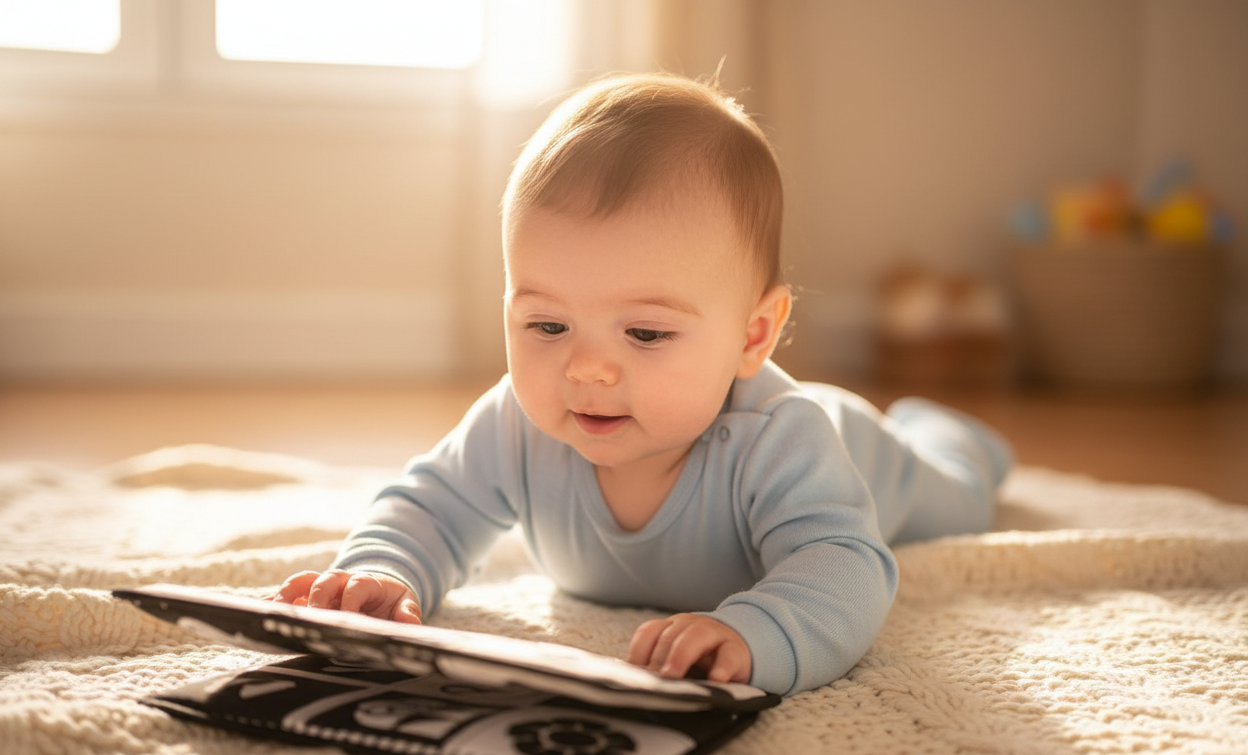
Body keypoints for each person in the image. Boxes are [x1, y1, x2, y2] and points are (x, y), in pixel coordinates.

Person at [272, 72, 1012, 696]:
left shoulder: (782, 442)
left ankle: (951, 436)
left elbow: (846, 568)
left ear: (753, 335)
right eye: (547, 326)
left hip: (863, 456)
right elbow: (431, 506)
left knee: (959, 496)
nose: (586, 369)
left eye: (647, 333)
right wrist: (382, 570)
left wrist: (757, 630)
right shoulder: (516, 423)